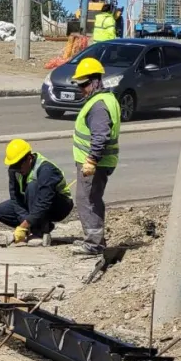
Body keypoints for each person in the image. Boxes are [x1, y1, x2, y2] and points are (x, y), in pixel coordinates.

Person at [71, 58, 120, 256]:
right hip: (97, 162)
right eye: (79, 85)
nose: (81, 89)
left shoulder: (99, 106)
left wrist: (91, 160)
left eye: (84, 84)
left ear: (96, 81)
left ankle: (93, 244)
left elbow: (100, 135)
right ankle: (95, 240)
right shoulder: (105, 100)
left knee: (87, 200)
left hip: (94, 164)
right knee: (91, 199)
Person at [0, 139, 74, 246]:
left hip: (58, 205)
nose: (16, 169)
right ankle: (37, 227)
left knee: (32, 186)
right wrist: (24, 222)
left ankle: (39, 232)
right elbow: (15, 198)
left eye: (18, 165)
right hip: (33, 201)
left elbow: (44, 203)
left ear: (29, 159)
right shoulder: (14, 170)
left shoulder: (46, 169)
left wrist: (23, 226)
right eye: (14, 165)